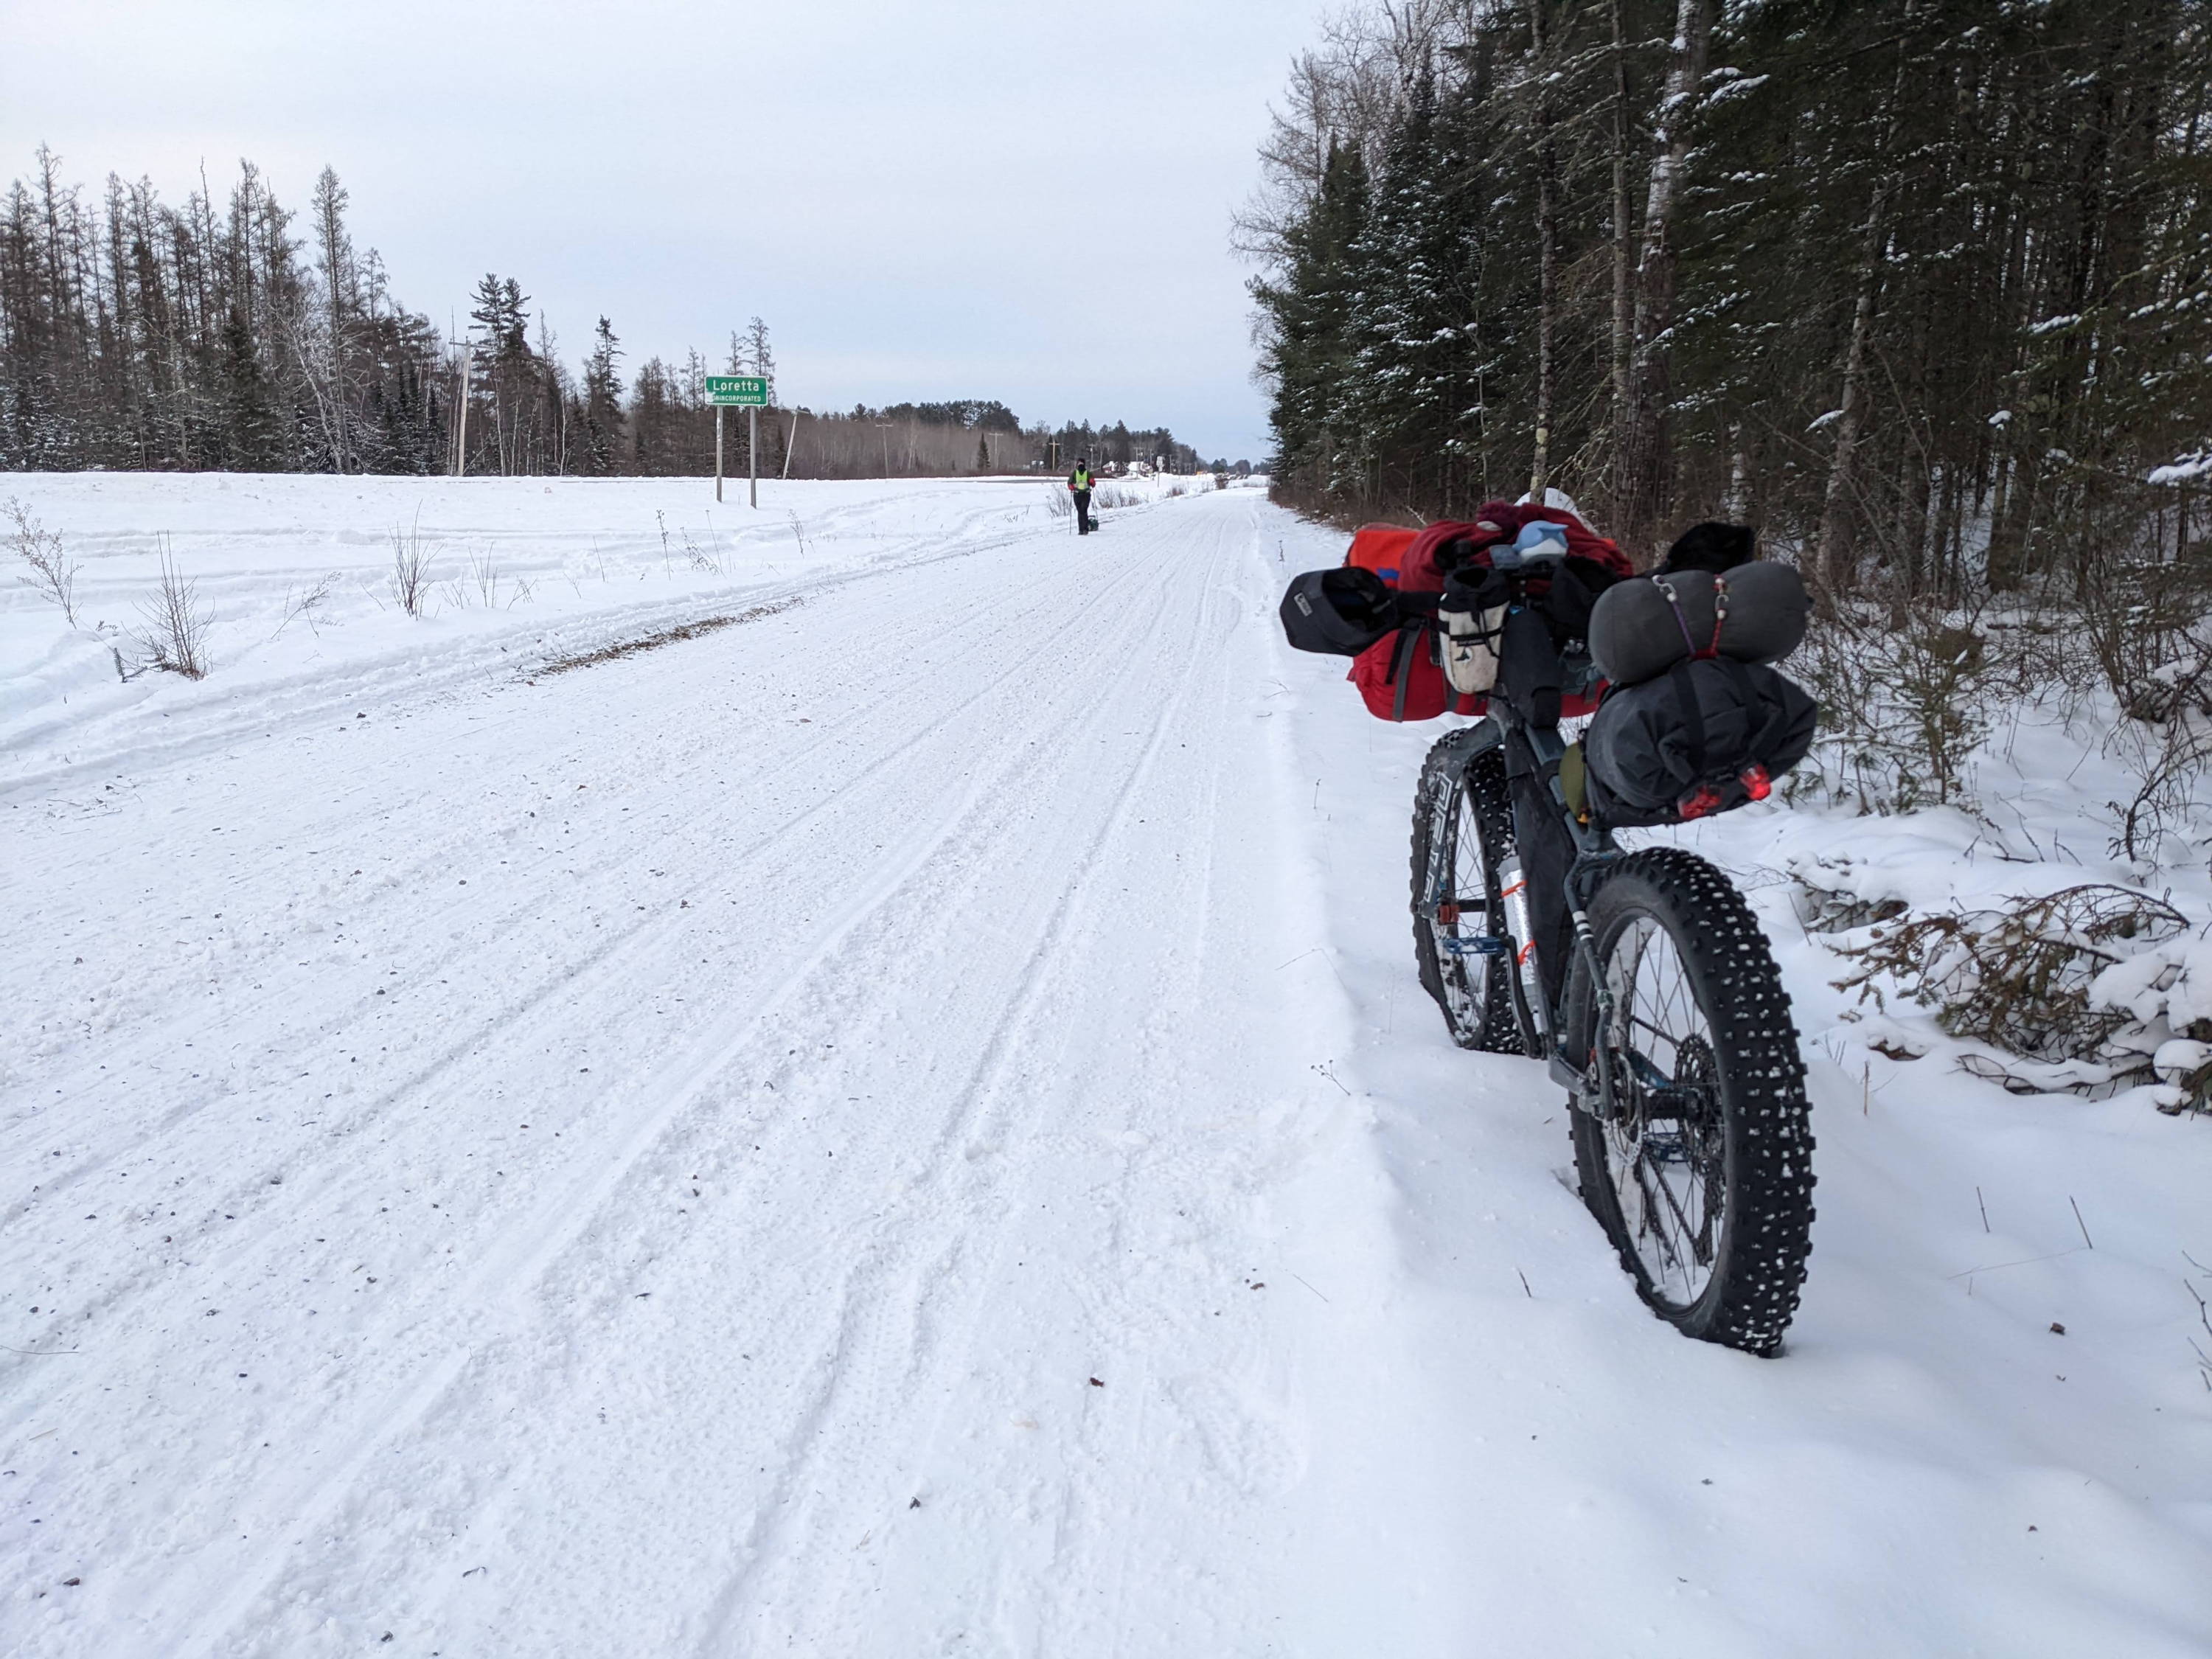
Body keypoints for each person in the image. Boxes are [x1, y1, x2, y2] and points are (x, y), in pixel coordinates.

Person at [1068, 458, 1096, 535]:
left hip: (1086, 495)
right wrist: (1070, 486)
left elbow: (1093, 485)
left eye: (1081, 463)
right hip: (1077, 495)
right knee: (1080, 511)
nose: (1080, 465)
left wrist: (1092, 482)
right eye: (1079, 463)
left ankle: (1085, 529)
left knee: (1083, 510)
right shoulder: (1074, 473)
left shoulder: (1088, 473)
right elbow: (1069, 482)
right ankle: (1081, 530)